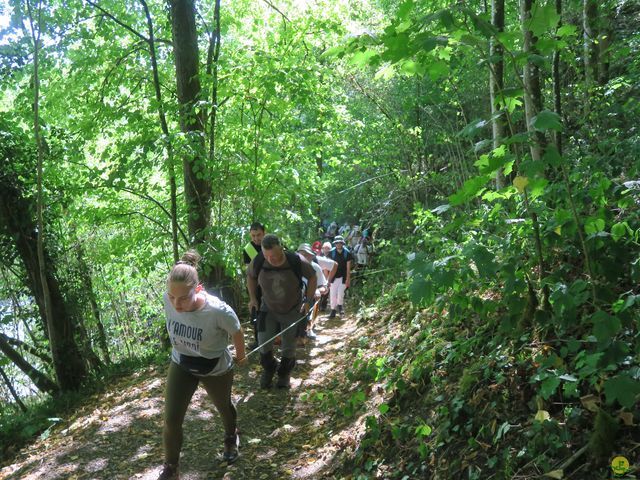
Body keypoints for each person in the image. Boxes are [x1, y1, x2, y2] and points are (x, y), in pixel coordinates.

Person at [158, 251, 247, 480]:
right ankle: (171, 467)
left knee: (223, 407)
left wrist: (241, 356)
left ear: (198, 290)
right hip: (182, 362)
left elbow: (236, 331)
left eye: (183, 298)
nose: (176, 303)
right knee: (171, 418)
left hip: (215, 367)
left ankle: (230, 436)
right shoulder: (169, 300)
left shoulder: (217, 311)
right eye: (172, 297)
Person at [247, 234, 317, 389]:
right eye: (267, 256)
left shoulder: (296, 260)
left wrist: (308, 300)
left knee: (288, 345)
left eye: (275, 256)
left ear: (282, 249)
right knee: (263, 342)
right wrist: (253, 298)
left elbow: (312, 277)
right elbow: (251, 276)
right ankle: (269, 368)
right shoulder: (258, 260)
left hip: (292, 309)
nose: (271, 260)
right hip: (268, 308)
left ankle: (284, 374)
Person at [296, 243, 336, 340]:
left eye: (306, 255)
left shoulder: (316, 267)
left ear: (311, 256)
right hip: (294, 297)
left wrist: (317, 290)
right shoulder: (291, 267)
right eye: (301, 255)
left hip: (310, 297)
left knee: (314, 302)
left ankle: (309, 329)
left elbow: (324, 287)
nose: (304, 257)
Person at [243, 222, 266, 349]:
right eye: (253, 236)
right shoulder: (248, 249)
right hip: (257, 286)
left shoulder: (272, 244)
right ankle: (258, 340)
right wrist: (252, 295)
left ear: (264, 233)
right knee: (256, 311)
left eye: (259, 235)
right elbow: (249, 273)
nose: (256, 238)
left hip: (275, 284)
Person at [327, 235, 352, 319]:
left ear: (342, 243)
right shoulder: (331, 252)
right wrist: (328, 279)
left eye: (340, 243)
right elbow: (328, 266)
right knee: (333, 294)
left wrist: (348, 279)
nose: (338, 244)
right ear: (335, 243)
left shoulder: (347, 253)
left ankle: (340, 307)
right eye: (336, 243)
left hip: (343, 276)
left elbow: (348, 268)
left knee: (341, 293)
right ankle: (333, 310)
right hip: (333, 277)